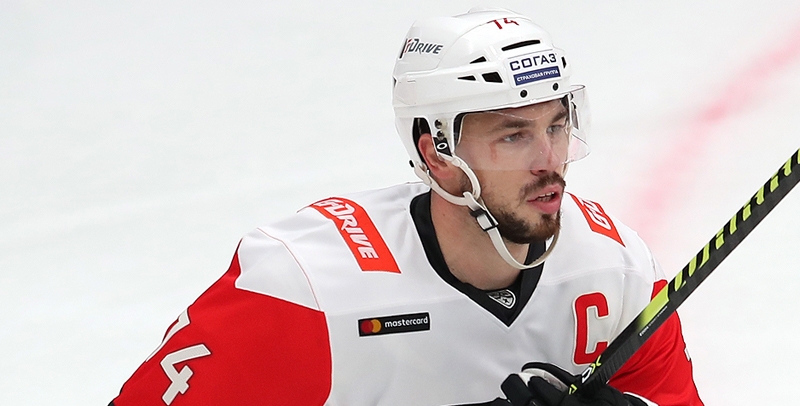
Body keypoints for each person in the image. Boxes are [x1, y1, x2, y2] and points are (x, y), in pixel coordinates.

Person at [110, 8, 703, 406]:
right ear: (437, 154)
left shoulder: (616, 271)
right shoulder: (309, 291)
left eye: (556, 126)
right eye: (514, 135)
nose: (550, 161)